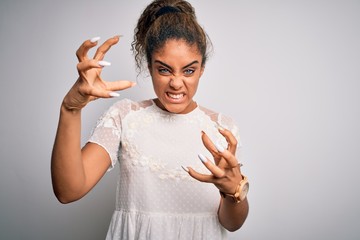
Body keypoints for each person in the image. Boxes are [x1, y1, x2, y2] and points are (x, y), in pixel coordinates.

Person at [51, 0, 249, 239]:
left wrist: (233, 192)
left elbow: (232, 223)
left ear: (202, 69)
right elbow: (68, 190)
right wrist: (70, 109)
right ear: (149, 66)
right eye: (164, 69)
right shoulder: (126, 116)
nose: (176, 83)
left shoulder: (222, 128)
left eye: (189, 70)